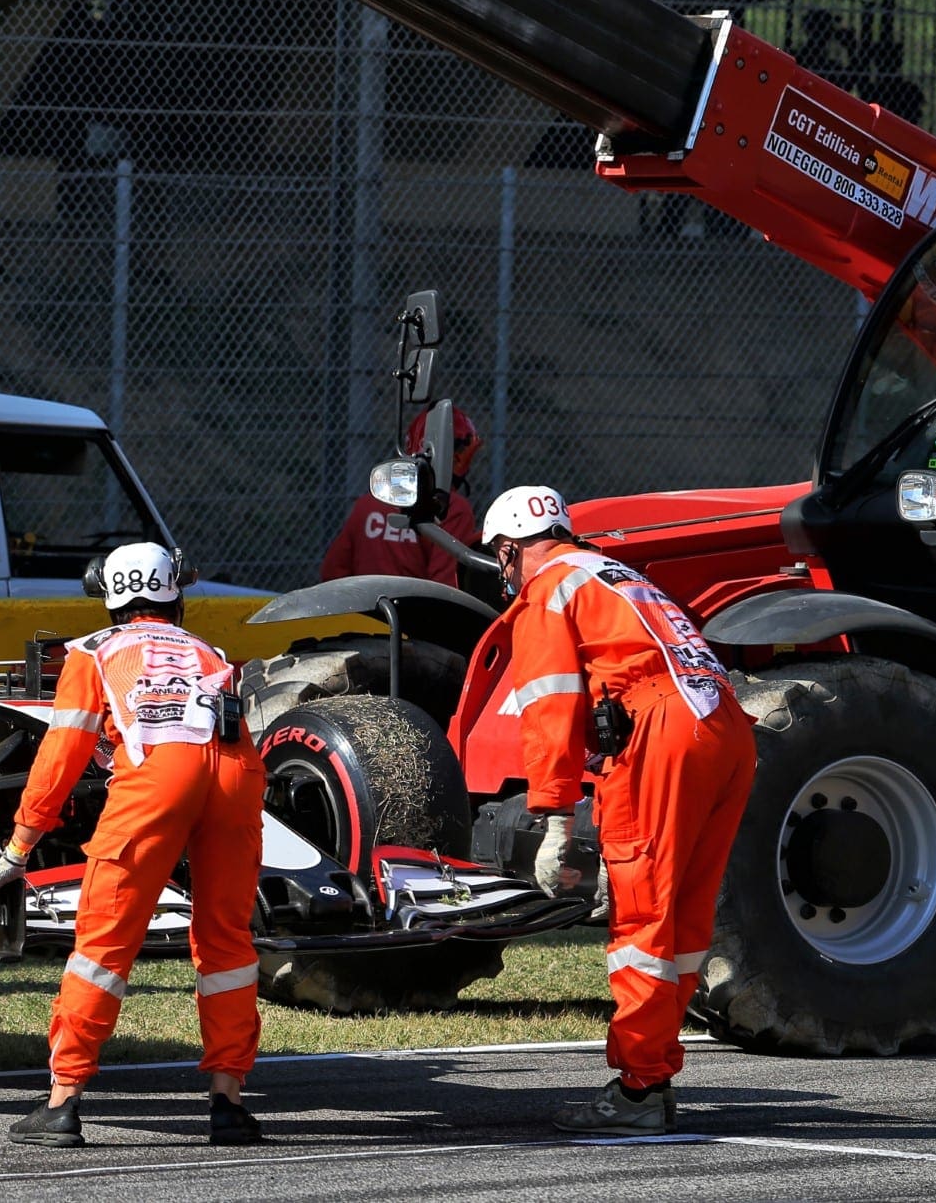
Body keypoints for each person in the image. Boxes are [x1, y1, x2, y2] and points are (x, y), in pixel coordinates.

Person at [480, 484, 756, 1136]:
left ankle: (637, 1090)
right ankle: (651, 1078)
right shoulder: (616, 573)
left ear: (512, 546)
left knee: (642, 919)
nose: (503, 567)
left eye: (501, 554)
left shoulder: (548, 588)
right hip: (724, 726)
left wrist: (552, 819)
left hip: (658, 733)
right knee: (684, 921)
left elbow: (550, 706)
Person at [0, 542, 266, 1148]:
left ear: (109, 599)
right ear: (174, 596)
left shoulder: (94, 652)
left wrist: (19, 847)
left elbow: (59, 760)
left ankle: (62, 1102)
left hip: (158, 779)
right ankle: (229, 1101)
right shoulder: (210, 651)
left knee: (102, 946)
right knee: (227, 942)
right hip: (238, 776)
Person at [321, 406, 482, 585]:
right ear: (454, 457)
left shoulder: (369, 502)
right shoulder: (453, 509)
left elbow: (333, 572)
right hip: (417, 611)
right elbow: (447, 586)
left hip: (362, 610)